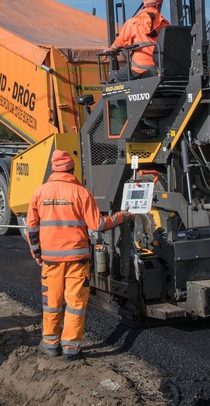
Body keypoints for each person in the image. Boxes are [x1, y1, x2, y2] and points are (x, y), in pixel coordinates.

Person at [25, 150, 133, 360]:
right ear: (72, 170)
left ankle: (50, 344)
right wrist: (121, 216)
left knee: (52, 303)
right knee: (75, 304)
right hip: (77, 259)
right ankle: (71, 348)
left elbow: (31, 228)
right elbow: (97, 224)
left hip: (51, 260)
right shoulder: (81, 193)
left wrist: (37, 253)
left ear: (53, 169)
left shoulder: (39, 193)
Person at [108, 0, 171, 81]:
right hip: (161, 68)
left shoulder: (133, 22)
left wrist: (111, 49)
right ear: (158, 5)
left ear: (145, 4)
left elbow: (120, 42)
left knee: (117, 79)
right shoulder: (166, 24)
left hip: (140, 68)